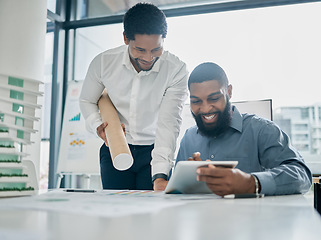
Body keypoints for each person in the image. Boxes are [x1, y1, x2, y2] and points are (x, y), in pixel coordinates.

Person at [79, 3, 188, 191]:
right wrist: (98, 124)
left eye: (155, 50)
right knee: (115, 212)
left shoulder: (176, 70)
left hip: (154, 151)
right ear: (125, 38)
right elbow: (87, 100)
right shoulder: (103, 63)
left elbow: (168, 124)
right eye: (140, 50)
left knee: (151, 214)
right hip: (115, 147)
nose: (148, 58)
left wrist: (161, 174)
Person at [175, 62, 312, 196]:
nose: (205, 108)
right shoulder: (189, 138)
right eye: (196, 101)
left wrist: (251, 183)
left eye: (214, 98)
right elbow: (175, 189)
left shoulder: (261, 130)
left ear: (229, 92)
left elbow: (302, 176)